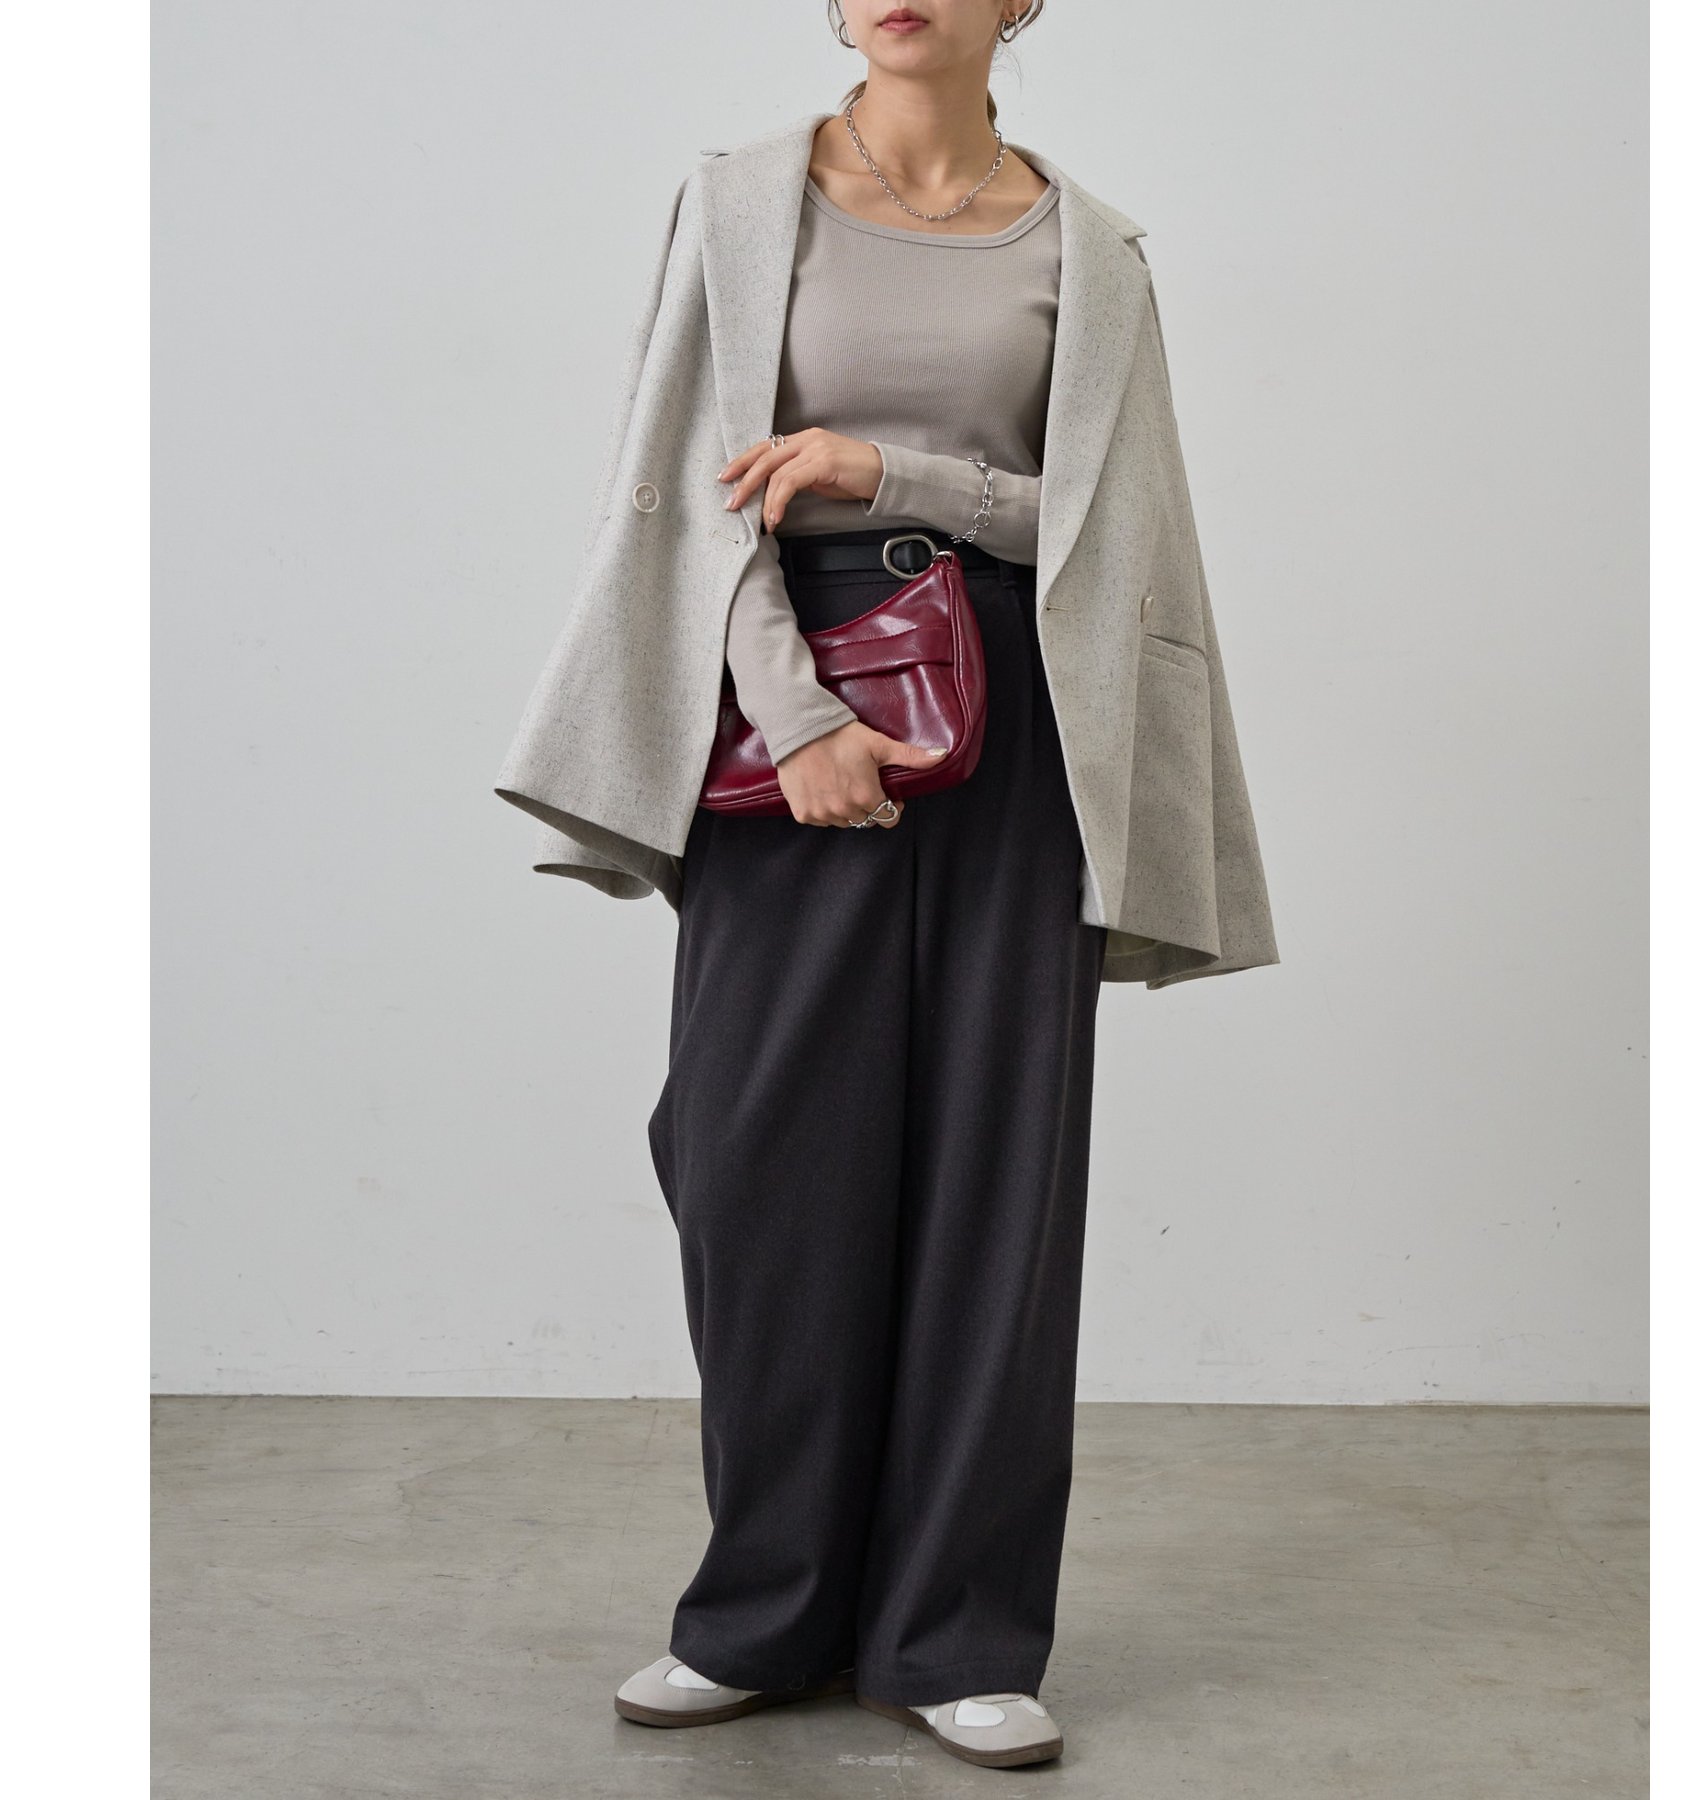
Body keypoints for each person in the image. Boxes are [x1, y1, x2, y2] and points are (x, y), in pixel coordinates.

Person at [495, 0, 1279, 1772]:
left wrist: (895, 471)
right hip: (787, 699)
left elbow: (1114, 526)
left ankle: (958, 1630)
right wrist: (798, 717)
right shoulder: (739, 201)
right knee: (757, 1158)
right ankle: (764, 1610)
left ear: (1023, 4)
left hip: (1023, 717)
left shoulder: (1093, 249)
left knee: (998, 1178)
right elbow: (684, 488)